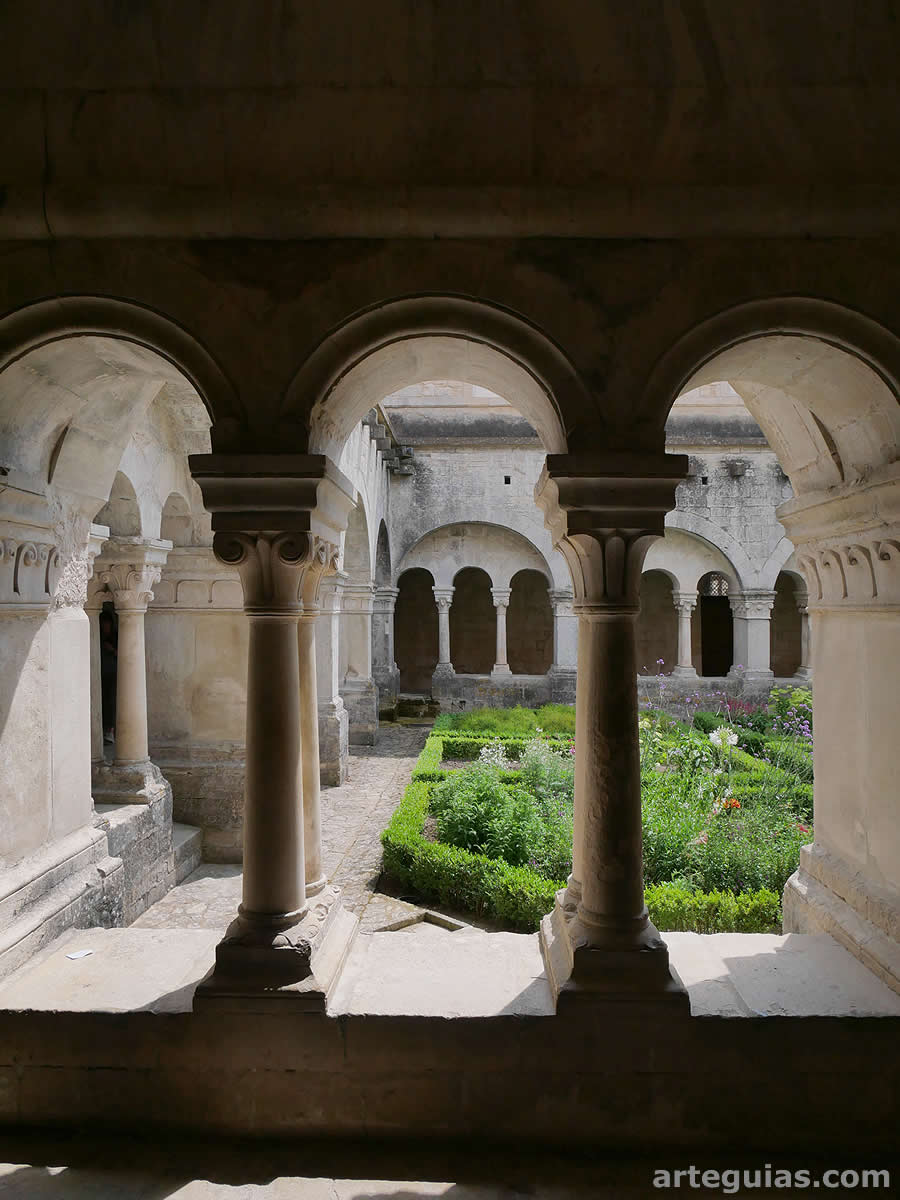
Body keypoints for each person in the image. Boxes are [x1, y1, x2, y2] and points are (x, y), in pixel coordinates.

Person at [99, 607, 118, 744]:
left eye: (107, 624)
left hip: (113, 674)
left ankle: (110, 731)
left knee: (111, 702)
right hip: (100, 674)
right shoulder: (98, 636)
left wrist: (112, 650)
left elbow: (125, 654)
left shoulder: (115, 636)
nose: (105, 626)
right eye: (103, 624)